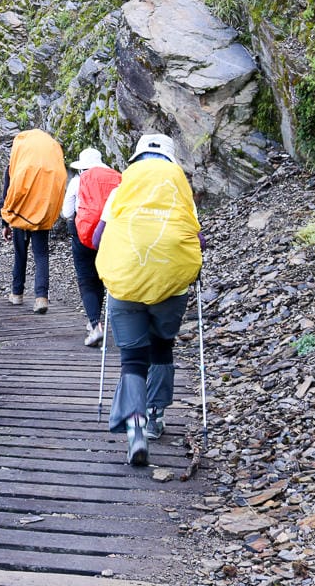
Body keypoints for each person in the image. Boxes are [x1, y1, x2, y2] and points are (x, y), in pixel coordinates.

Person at [93, 133, 201, 466]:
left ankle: (136, 430)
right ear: (170, 161)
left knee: (133, 359)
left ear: (137, 159)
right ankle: (155, 416)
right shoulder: (180, 190)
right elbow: (197, 239)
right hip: (170, 286)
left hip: (126, 285)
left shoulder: (121, 190)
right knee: (162, 347)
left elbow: (98, 238)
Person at [0, 129, 67, 314]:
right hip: (42, 213)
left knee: (20, 253)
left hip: (21, 212)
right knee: (41, 255)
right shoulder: (50, 166)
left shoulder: (19, 164)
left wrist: (5, 222)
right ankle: (41, 298)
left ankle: (17, 294)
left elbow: (9, 190)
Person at [61, 148, 121, 347]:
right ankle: (97, 320)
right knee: (102, 275)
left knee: (86, 278)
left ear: (82, 166)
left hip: (84, 234)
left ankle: (95, 324)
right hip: (111, 235)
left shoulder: (79, 180)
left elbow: (67, 211)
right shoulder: (117, 178)